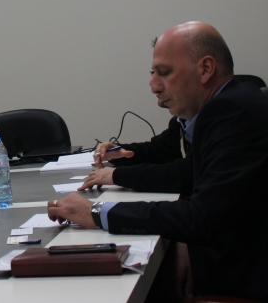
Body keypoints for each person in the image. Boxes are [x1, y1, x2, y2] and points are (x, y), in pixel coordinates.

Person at [46, 22, 268, 301]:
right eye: (153, 73)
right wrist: (120, 155)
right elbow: (178, 163)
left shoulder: (232, 113)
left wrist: (96, 212)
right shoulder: (216, 108)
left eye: (164, 73)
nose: (153, 86)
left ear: (205, 69)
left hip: (243, 277)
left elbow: (200, 217)